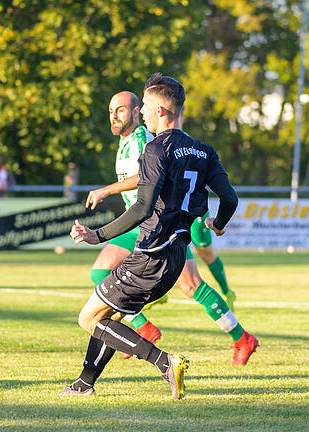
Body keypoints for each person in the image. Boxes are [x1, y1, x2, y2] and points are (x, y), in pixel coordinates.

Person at [60, 73, 240, 399]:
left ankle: (164, 362)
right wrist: (219, 223)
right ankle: (85, 383)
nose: (141, 113)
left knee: (88, 318)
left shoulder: (156, 148)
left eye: (145, 108)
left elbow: (143, 207)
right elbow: (230, 199)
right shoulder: (205, 151)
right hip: (174, 257)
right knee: (109, 315)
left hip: (150, 253)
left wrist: (96, 235)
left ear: (160, 111)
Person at [85, 91, 256, 364]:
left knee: (186, 284)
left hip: (154, 222)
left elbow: (144, 177)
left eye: (120, 109)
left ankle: (145, 330)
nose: (114, 115)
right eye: (110, 110)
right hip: (150, 225)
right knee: (187, 285)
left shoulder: (143, 139)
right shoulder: (131, 142)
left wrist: (106, 191)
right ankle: (239, 337)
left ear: (138, 110)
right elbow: (228, 196)